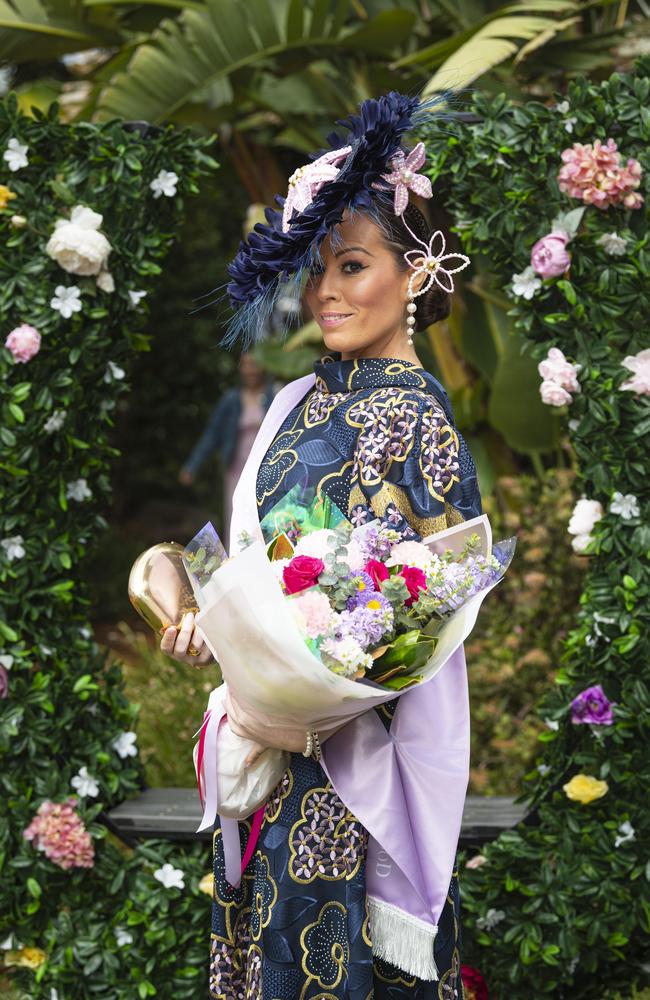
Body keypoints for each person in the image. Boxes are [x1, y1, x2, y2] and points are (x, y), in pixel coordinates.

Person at [162, 92, 481, 998]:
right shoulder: (303, 402)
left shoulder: (423, 421)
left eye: (352, 265)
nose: (326, 291)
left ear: (417, 274)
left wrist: (309, 673)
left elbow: (432, 608)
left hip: (350, 776)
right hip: (269, 763)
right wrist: (214, 627)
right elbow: (252, 569)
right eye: (316, 270)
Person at [179, 352, 275, 532]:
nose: (250, 370)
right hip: (236, 470)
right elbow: (213, 433)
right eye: (246, 365)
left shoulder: (274, 395)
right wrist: (192, 466)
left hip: (267, 469)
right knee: (237, 520)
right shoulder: (231, 400)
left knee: (265, 519)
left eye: (254, 364)